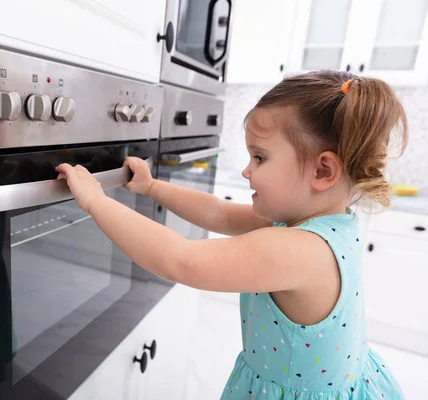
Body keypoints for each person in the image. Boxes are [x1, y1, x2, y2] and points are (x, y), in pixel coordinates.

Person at [56, 70, 408, 399]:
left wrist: (96, 202)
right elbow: (217, 213)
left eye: (259, 157)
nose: (246, 170)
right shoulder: (321, 224)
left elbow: (182, 261)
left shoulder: (299, 250)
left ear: (322, 170)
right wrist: (151, 187)